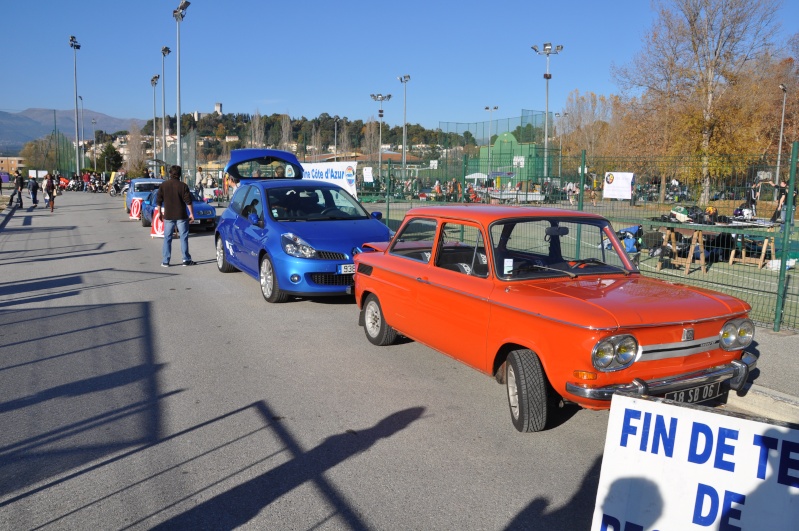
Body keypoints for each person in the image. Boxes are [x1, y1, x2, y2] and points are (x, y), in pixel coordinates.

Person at [156, 165, 195, 267]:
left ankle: (166, 261)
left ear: (170, 174)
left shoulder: (164, 185)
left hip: (168, 216)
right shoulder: (183, 186)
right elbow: (188, 201)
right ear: (180, 174)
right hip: (181, 215)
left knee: (167, 238)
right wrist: (191, 213)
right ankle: (186, 260)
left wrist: (159, 212)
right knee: (184, 237)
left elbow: (159, 200)